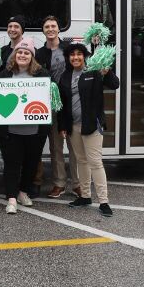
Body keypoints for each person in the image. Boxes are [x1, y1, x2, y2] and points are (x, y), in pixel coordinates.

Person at [0, 37, 50, 214]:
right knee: (12, 164)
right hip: (11, 131)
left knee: (31, 164)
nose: (23, 55)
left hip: (35, 131)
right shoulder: (4, 74)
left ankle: (23, 192)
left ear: (32, 56)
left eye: (27, 53)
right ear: (14, 55)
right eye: (20, 52)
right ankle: (11, 199)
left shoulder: (42, 74)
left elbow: (48, 99)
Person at [58, 43, 120, 217]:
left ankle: (104, 201)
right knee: (81, 161)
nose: (75, 57)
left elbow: (115, 84)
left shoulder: (94, 71)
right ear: (68, 58)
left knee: (95, 162)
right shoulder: (65, 76)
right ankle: (85, 196)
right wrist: (63, 126)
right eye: (72, 55)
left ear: (84, 56)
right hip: (73, 127)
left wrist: (107, 71)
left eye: (79, 54)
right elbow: (63, 104)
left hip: (92, 125)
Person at [33, 16, 80, 199]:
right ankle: (59, 183)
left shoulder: (68, 49)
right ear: (43, 31)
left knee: (74, 145)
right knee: (55, 146)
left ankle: (77, 184)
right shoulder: (39, 53)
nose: (50, 29)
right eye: (47, 27)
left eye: (53, 26)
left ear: (59, 29)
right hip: (50, 104)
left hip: (70, 102)